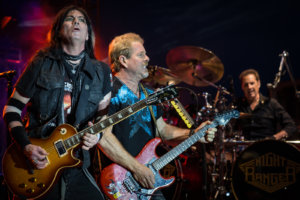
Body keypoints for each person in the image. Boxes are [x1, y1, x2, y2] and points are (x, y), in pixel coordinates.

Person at [2, 5, 112, 200]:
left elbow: (103, 116)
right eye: (70, 19)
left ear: (88, 35)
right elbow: (11, 110)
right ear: (59, 30)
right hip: (37, 162)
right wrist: (26, 146)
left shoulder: (101, 72)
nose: (77, 21)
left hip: (77, 165)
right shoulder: (40, 63)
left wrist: (97, 134)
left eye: (82, 20)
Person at [97, 33, 217, 199]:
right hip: (118, 182)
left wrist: (194, 133)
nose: (148, 58)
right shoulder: (109, 91)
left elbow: (162, 131)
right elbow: (103, 137)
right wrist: (137, 169)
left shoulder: (149, 94)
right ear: (123, 60)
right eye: (141, 55)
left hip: (146, 180)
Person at [235, 68, 297, 140]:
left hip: (267, 148)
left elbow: (291, 126)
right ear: (242, 87)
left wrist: (274, 137)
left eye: (252, 83)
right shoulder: (238, 106)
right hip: (245, 149)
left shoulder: (271, 103)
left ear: (259, 84)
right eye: (246, 85)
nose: (249, 87)